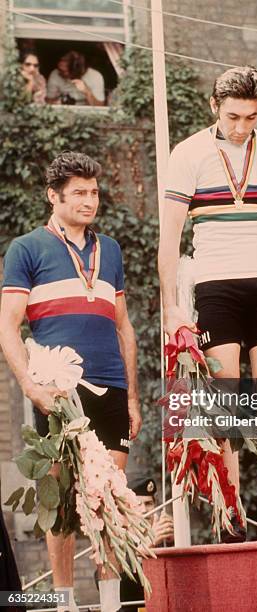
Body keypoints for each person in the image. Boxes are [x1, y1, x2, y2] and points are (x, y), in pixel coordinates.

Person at [158, 65, 257, 542]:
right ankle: (231, 512)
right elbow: (168, 241)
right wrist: (172, 310)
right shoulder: (188, 154)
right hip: (216, 287)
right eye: (232, 117)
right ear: (213, 107)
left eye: (251, 117)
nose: (241, 127)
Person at [0, 152, 141, 612]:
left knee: (110, 500)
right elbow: (8, 326)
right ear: (53, 196)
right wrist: (30, 386)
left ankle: (109, 603)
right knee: (61, 502)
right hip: (59, 391)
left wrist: (134, 398)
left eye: (94, 192)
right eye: (79, 192)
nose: (89, 200)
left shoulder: (111, 249)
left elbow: (124, 327)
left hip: (112, 389)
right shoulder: (26, 248)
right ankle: (62, 604)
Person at [119, 477, 174, 611]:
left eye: (149, 503)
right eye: (138, 504)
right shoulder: (116, 543)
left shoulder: (165, 541)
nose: (144, 510)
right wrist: (147, 546)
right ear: (125, 511)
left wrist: (174, 543)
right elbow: (117, 586)